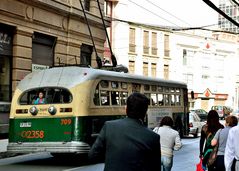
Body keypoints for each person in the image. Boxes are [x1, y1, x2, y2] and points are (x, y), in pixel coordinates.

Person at [88, 92, 161, 171]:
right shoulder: (153, 137)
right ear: (145, 112)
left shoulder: (109, 126)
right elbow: (155, 168)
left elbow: (92, 155)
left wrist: (112, 156)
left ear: (126, 109)